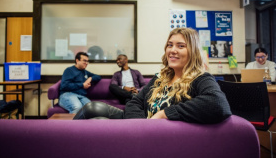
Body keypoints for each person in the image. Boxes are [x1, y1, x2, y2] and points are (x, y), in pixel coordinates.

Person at [73, 28, 231, 124]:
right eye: (170, 45)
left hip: (161, 134)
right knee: (91, 108)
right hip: (141, 125)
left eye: (180, 46)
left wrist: (165, 114)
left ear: (193, 52)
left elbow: (218, 104)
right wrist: (140, 125)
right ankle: (65, 140)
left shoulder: (201, 78)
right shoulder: (161, 78)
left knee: (98, 123)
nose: (172, 50)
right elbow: (136, 101)